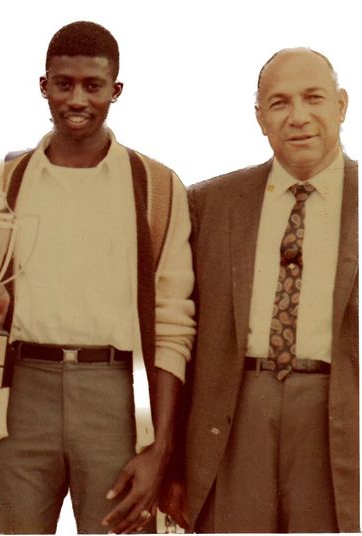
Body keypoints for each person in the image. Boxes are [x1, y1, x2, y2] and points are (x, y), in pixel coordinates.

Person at [0, 21, 195, 534]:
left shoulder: (154, 186)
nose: (77, 98)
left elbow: (174, 324)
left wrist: (161, 447)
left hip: (116, 398)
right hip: (22, 396)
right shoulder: (4, 182)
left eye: (93, 85)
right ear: (44, 86)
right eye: (63, 84)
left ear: (116, 91)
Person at [162, 48, 358, 533]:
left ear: (341, 105)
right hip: (235, 414)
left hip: (339, 414)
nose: (298, 117)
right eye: (279, 103)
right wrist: (173, 462)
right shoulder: (209, 203)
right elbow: (177, 328)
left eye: (313, 98)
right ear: (260, 118)